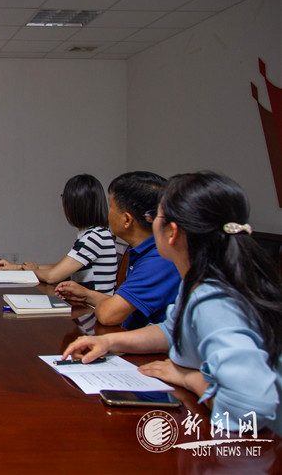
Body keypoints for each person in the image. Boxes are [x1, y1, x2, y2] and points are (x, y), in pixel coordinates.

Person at [64, 172, 282, 435]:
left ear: (173, 233)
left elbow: (251, 409)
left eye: (156, 216)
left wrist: (187, 378)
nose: (150, 221)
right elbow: (171, 330)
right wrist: (109, 342)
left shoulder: (213, 301)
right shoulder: (198, 281)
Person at [55, 172, 181, 329]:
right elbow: (124, 304)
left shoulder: (159, 260)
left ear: (126, 219)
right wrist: (86, 295)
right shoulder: (142, 251)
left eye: (111, 207)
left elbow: (108, 315)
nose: (108, 214)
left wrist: (95, 300)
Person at [0, 174, 118, 292]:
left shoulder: (94, 238)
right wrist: (18, 268)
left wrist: (31, 271)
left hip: (91, 306)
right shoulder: (97, 233)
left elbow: (52, 276)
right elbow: (59, 267)